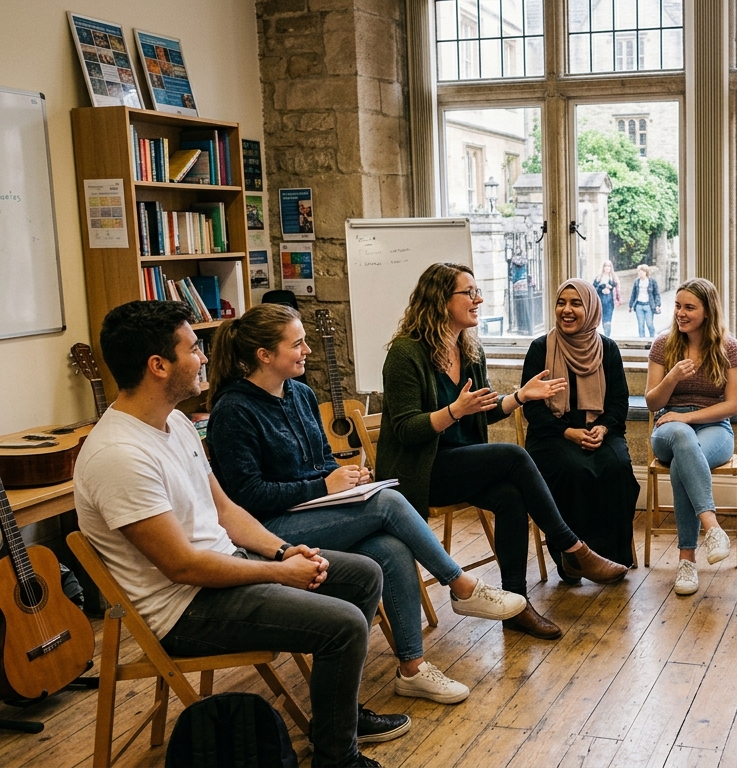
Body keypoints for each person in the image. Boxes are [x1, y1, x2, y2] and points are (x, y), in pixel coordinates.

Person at [75, 301, 406, 768]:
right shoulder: (119, 455)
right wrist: (279, 573)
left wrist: (284, 550)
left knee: (364, 574)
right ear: (158, 366)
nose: (205, 357)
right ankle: (338, 759)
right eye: (194, 348)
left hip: (224, 569)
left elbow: (225, 509)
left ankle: (337, 719)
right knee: (345, 625)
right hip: (184, 610)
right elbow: (182, 566)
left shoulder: (176, 422)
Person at [206, 303, 526, 706]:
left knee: (391, 548)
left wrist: (347, 479)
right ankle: (461, 585)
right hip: (268, 533)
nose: (308, 350)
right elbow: (246, 496)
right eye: (298, 344)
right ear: (264, 355)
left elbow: (323, 460)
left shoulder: (301, 394)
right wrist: (323, 486)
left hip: (313, 513)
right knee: (388, 503)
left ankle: (412, 669)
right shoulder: (234, 410)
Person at [377, 263, 628, 641]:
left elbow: (485, 411)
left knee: (511, 496)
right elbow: (406, 430)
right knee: (513, 455)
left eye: (477, 291)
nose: (478, 299)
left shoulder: (469, 349)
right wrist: (453, 411)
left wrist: (520, 396)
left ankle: (516, 604)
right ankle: (573, 547)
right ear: (441, 300)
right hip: (420, 471)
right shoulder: (406, 353)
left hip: (461, 461)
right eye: (469, 293)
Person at [523, 279, 641, 572]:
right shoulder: (540, 349)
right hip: (552, 433)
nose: (567, 310)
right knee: (574, 470)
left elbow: (618, 402)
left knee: (617, 468)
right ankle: (573, 559)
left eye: (576, 303)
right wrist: (567, 432)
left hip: (599, 430)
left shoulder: (608, 349)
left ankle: (613, 556)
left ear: (590, 310)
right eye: (561, 303)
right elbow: (532, 407)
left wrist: (603, 428)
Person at [645, 278, 737, 595]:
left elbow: (732, 405)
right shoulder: (663, 345)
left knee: (683, 463)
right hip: (668, 427)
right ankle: (712, 527)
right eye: (678, 306)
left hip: (714, 427)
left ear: (707, 311)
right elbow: (652, 403)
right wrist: (672, 377)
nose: (681, 313)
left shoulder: (729, 348)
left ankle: (686, 560)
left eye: (689, 307)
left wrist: (687, 417)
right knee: (682, 439)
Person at [628, 264, 661, 338]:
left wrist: (657, 305)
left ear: (646, 272)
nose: (641, 273)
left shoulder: (652, 281)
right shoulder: (637, 282)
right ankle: (642, 340)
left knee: (650, 324)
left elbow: (656, 294)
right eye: (639, 272)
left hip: (649, 305)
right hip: (639, 305)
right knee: (641, 325)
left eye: (643, 271)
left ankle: (652, 339)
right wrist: (630, 305)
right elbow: (633, 294)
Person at [592, 260, 620, 337]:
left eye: (609, 266)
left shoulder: (614, 278)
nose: (607, 268)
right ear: (603, 267)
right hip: (600, 301)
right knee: (598, 320)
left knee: (607, 321)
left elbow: (617, 290)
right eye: (606, 266)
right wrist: (602, 289)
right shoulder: (598, 278)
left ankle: (607, 336)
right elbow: (593, 289)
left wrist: (617, 299)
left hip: (609, 302)